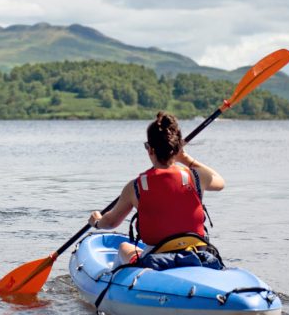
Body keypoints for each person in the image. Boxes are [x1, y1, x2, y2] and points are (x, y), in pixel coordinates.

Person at [87, 111, 225, 265]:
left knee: (124, 247)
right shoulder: (196, 176)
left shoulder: (135, 187)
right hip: (197, 252)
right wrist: (185, 159)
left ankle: (116, 277)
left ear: (150, 150)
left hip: (157, 258)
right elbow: (220, 182)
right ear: (177, 148)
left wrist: (97, 222)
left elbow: (111, 222)